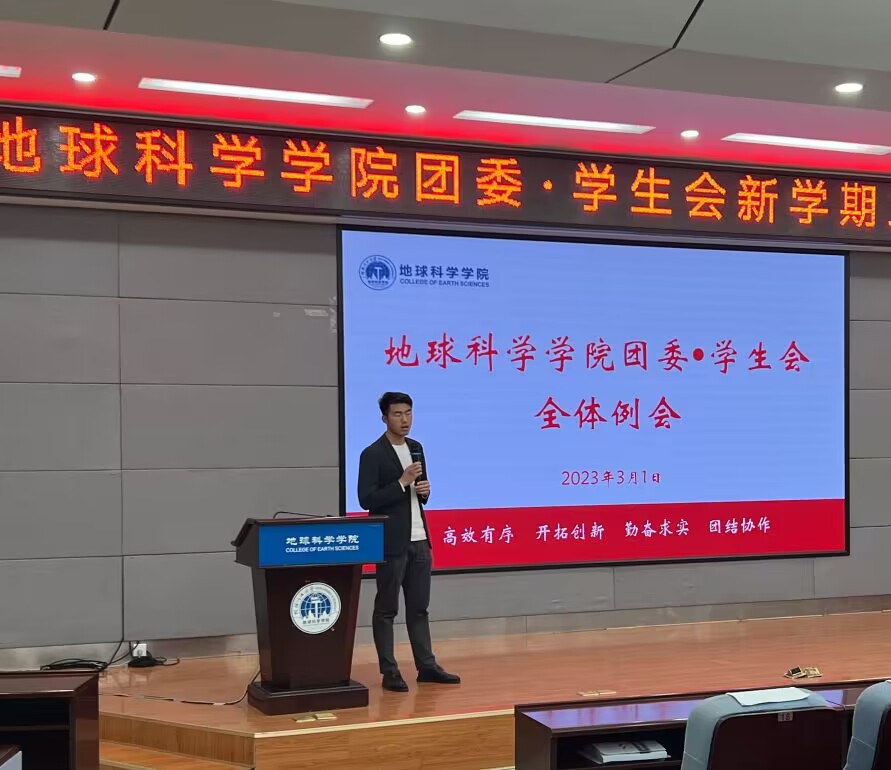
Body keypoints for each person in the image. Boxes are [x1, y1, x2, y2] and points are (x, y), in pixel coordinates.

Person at [357, 392, 461, 692]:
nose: (405, 420)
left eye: (408, 413)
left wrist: (424, 491)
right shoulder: (372, 454)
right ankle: (389, 671)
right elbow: (367, 499)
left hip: (420, 540)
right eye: (398, 414)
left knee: (419, 608)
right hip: (392, 543)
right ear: (384, 418)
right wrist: (401, 482)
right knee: (386, 609)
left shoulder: (416, 448)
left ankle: (426, 666)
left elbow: (419, 496)